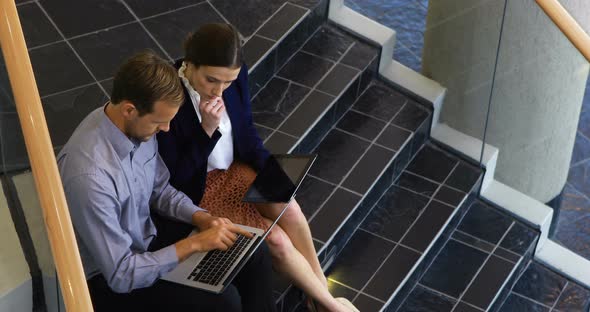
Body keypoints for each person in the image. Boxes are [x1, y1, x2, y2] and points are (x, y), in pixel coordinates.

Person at [157, 23, 358, 312]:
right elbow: (176, 179)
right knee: (273, 239)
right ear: (190, 64)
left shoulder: (233, 77)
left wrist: (274, 173)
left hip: (235, 168)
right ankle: (329, 305)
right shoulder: (168, 97)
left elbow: (247, 134)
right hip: (198, 188)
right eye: (211, 80)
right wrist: (206, 131)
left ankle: (318, 290)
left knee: (288, 207)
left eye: (228, 82)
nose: (220, 90)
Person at [57, 51, 276, 312]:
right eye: (160, 122)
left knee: (252, 252)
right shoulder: (90, 179)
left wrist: (202, 218)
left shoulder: (132, 125)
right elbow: (121, 274)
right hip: (109, 281)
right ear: (129, 110)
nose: (166, 130)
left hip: (148, 236)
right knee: (222, 304)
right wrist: (194, 243)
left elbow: (160, 190)